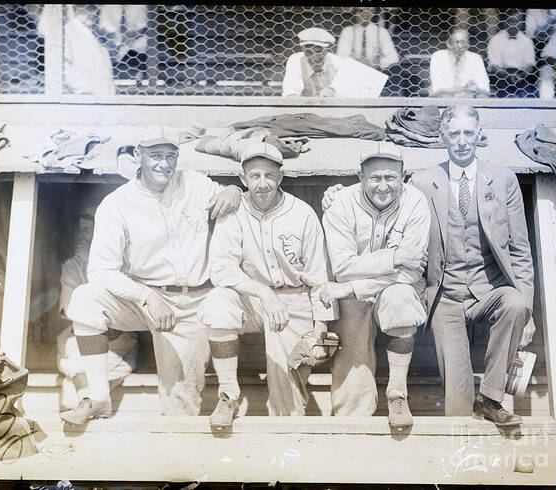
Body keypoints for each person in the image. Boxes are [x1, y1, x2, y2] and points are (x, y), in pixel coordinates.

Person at [60, 125, 242, 424]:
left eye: (171, 155)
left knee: (180, 405)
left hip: (194, 300)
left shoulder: (194, 183)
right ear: (137, 155)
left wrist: (234, 190)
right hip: (145, 300)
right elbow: (100, 271)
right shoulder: (116, 204)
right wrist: (146, 296)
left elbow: (225, 195)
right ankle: (98, 398)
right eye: (156, 155)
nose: (165, 164)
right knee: (85, 298)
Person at [408, 105, 535, 425]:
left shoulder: (503, 179)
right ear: (442, 137)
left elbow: (520, 250)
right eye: (454, 134)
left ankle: (492, 398)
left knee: (516, 303)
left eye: (468, 133)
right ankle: (460, 455)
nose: (461, 141)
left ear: (479, 135)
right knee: (457, 394)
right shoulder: (423, 182)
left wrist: (529, 314)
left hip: (490, 288)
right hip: (445, 295)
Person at [199, 142, 338, 431]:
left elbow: (318, 277)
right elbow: (221, 269)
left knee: (286, 392)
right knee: (218, 301)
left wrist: (320, 329)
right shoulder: (233, 212)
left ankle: (288, 446)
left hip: (293, 298)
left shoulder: (302, 213)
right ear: (242, 179)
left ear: (281, 176)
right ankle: (228, 394)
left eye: (269, 175)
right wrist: (263, 293)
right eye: (254, 176)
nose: (262, 184)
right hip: (252, 299)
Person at [320, 141, 430, 428]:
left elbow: (414, 271)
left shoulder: (416, 201)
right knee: (354, 317)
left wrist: (353, 286)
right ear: (360, 177)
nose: (383, 186)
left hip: (391, 290)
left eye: (391, 177)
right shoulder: (341, 203)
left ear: (403, 175)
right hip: (352, 299)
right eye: (375, 177)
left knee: (400, 297)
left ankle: (397, 394)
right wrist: (395, 257)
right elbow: (343, 268)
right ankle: (352, 423)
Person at [56, 209, 139, 411]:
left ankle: (82, 395)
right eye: (81, 231)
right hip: (82, 337)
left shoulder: (125, 264)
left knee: (74, 376)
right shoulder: (73, 266)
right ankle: (86, 397)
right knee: (73, 350)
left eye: (88, 230)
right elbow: (69, 311)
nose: (82, 237)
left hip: (119, 337)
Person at [487, 9, 536, 97]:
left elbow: (530, 65)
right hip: (501, 76)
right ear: (505, 22)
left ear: (521, 23)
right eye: (512, 21)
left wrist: (519, 76)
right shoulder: (496, 40)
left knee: (527, 93)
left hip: (521, 75)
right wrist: (509, 76)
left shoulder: (527, 41)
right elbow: (494, 66)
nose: (515, 24)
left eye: (517, 21)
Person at [429, 28, 490, 98]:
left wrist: (476, 89)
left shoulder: (476, 58)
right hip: (445, 100)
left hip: (469, 101)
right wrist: (465, 89)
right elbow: (437, 88)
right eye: (457, 42)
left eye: (463, 42)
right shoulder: (438, 57)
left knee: (482, 96)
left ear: (468, 44)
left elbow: (484, 87)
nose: (460, 46)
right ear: (449, 43)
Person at [282, 27, 339, 97]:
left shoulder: (337, 62)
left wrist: (333, 90)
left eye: (319, 51)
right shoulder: (296, 60)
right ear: (302, 49)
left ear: (327, 49)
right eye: (308, 52)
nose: (314, 57)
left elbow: (346, 90)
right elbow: (291, 93)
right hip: (304, 106)